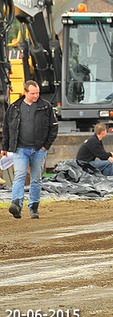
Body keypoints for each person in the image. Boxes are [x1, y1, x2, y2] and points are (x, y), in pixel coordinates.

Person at [2, 80, 58, 219]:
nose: (36, 96)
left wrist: (46, 145)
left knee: (36, 179)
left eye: (37, 93)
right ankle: (16, 205)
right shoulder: (14, 107)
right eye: (33, 93)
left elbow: (54, 127)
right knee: (20, 176)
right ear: (25, 92)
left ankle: (34, 207)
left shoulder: (46, 107)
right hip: (20, 149)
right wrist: (5, 147)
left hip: (39, 149)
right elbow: (7, 128)